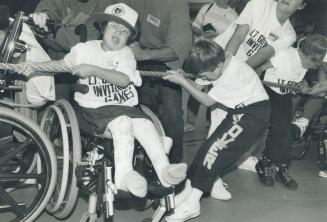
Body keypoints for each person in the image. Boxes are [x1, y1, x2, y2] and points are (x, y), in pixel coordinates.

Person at [14, 3, 187, 198]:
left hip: (126, 107)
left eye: (125, 31)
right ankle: (124, 176)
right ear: (103, 27)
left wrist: (93, 69)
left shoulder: (127, 54)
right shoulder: (84, 50)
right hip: (96, 110)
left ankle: (164, 171)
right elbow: (61, 65)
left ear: (130, 37)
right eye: (114, 26)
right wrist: (34, 66)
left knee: (145, 125)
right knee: (123, 124)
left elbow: (123, 80)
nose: (118, 33)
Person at [163, 38, 270, 222]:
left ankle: (193, 204)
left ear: (219, 67)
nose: (203, 78)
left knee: (214, 151)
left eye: (205, 75)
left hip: (253, 115)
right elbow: (200, 82)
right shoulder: (219, 63)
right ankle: (188, 191)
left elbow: (207, 101)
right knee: (207, 148)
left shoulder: (232, 74)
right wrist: (188, 75)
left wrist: (182, 81)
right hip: (241, 112)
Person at [210, 0, 308, 177]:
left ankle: (226, 162)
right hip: (218, 58)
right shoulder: (259, 3)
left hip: (239, 71)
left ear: (301, 6)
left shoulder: (289, 35)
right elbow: (239, 35)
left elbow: (263, 54)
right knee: (220, 116)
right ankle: (211, 174)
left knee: (232, 119)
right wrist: (226, 67)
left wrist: (237, 75)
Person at [118, 0, 193, 164]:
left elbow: (177, 49)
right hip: (132, 56)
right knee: (125, 107)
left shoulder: (176, 5)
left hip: (164, 61)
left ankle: (174, 164)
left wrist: (143, 54)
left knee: (170, 111)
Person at [254, 33, 327, 190]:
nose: (316, 66)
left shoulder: (306, 62)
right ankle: (265, 164)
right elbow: (260, 67)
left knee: (284, 133)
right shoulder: (284, 55)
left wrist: (303, 86)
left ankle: (280, 166)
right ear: (303, 53)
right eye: (314, 62)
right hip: (267, 92)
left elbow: (297, 78)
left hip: (283, 95)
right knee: (278, 129)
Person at [185, 0, 238, 133]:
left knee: (215, 89)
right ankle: (190, 122)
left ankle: (211, 121)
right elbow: (194, 26)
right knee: (197, 88)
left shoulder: (233, 15)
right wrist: (203, 34)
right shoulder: (206, 8)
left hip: (218, 58)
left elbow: (234, 37)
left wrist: (219, 37)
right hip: (202, 56)